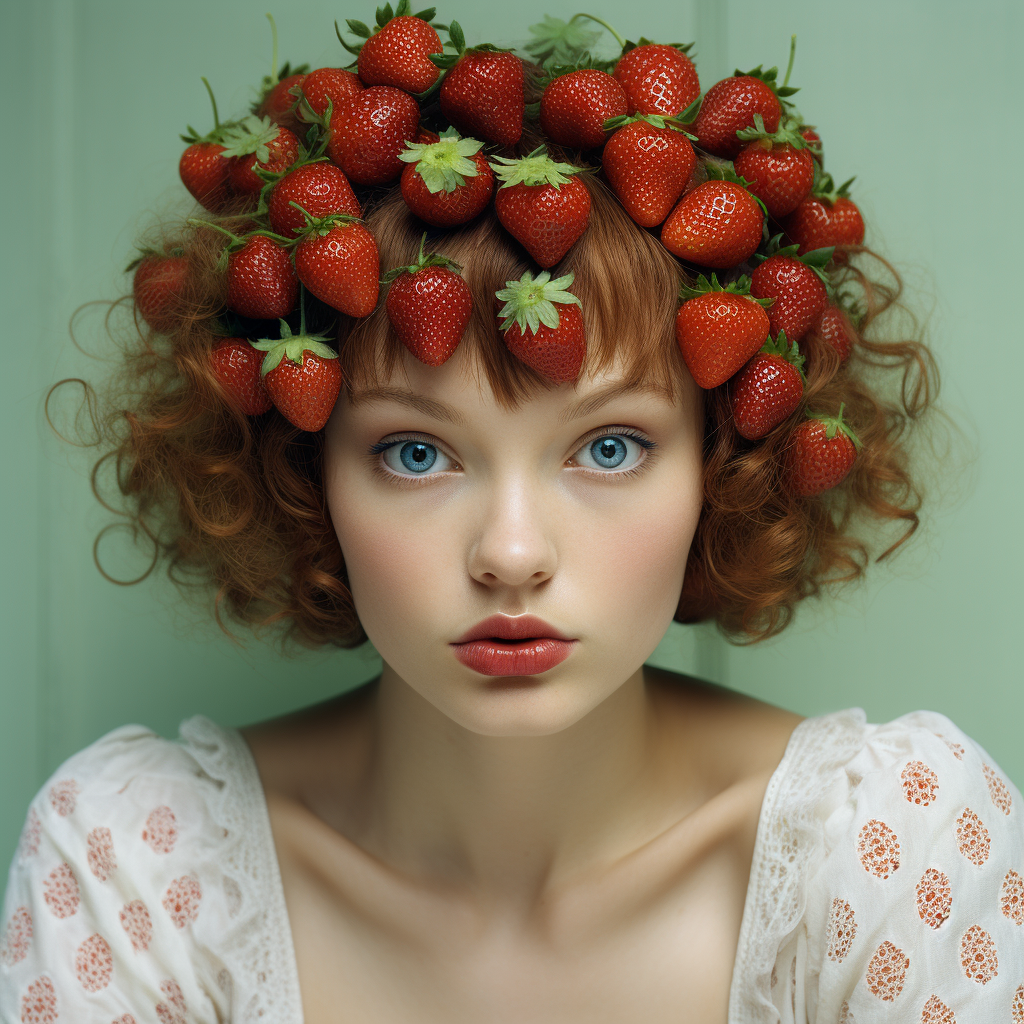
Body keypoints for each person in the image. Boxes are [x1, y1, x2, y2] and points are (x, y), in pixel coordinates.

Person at [2, 11, 1021, 1024]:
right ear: (303, 472)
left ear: (724, 461)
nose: (512, 554)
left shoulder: (893, 854)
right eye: (415, 453)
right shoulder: (136, 869)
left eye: (608, 447)